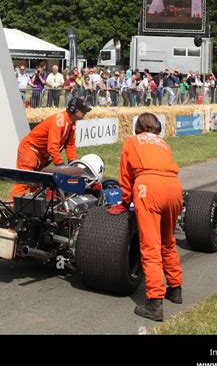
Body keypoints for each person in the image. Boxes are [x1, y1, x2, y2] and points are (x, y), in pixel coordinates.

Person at [110, 112, 183, 322]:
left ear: (138, 127)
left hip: (148, 187)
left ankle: (155, 302)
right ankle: (176, 289)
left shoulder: (132, 142)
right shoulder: (163, 143)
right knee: (168, 241)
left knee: (150, 246)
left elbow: (125, 176)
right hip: (174, 187)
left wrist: (124, 201)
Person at [9, 97, 92, 199]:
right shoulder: (59, 121)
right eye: (83, 110)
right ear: (75, 110)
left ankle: (32, 208)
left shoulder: (71, 124)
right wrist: (62, 167)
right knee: (24, 181)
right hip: (30, 149)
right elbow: (52, 147)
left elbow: (70, 145)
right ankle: (11, 208)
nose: (85, 113)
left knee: (38, 184)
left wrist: (73, 164)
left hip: (39, 155)